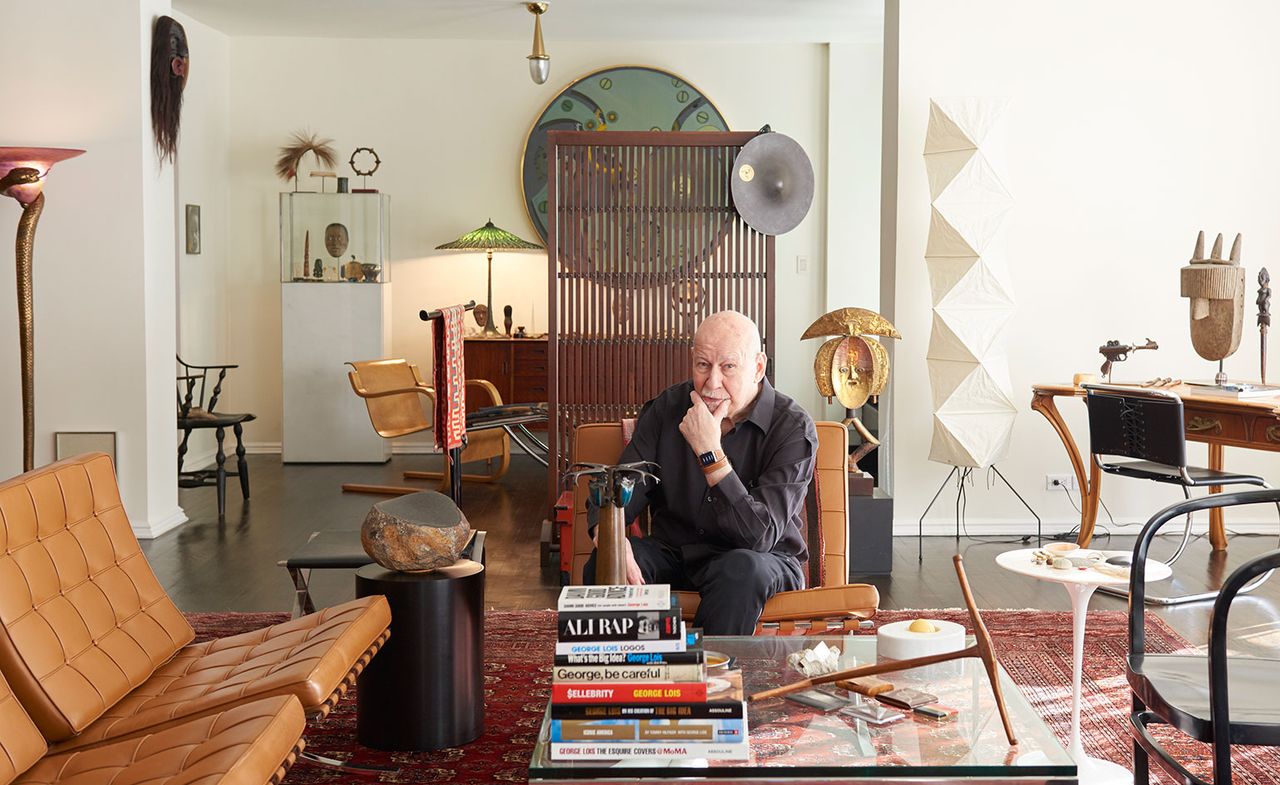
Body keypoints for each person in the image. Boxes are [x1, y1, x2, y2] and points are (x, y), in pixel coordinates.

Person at [583, 310, 817, 635]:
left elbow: (760, 537)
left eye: (728, 367)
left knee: (741, 569)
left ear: (758, 367)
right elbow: (620, 486)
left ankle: (711, 682)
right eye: (703, 365)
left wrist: (711, 454)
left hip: (762, 560)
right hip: (676, 552)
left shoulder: (791, 427)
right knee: (606, 561)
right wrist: (609, 538)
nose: (712, 382)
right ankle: (631, 678)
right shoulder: (668, 408)